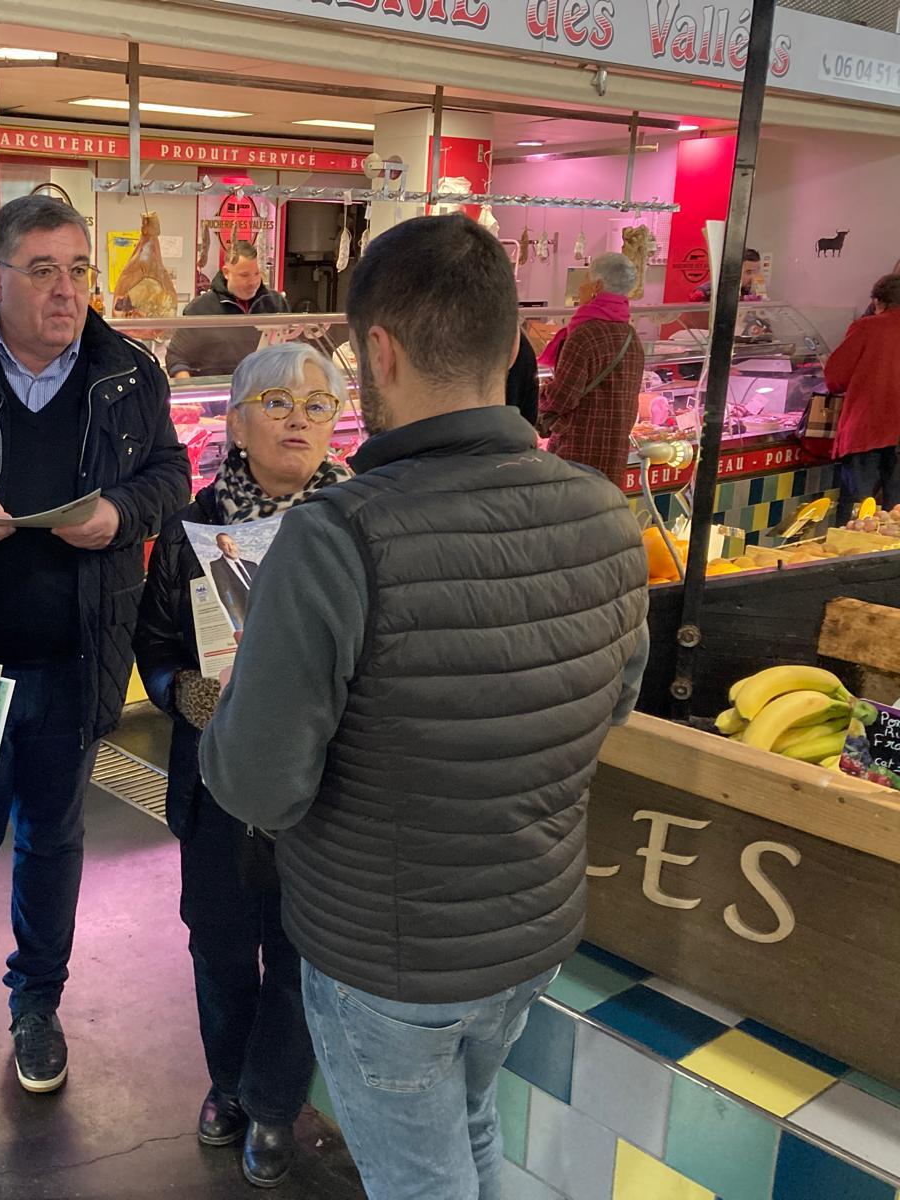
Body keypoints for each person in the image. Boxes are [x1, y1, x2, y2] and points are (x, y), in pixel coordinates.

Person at [200, 215, 649, 1200]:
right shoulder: (605, 512)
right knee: (472, 1123)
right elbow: (614, 703)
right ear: (512, 343)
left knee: (418, 1178)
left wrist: (228, 708)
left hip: (386, 960)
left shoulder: (337, 536)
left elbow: (259, 786)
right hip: (531, 933)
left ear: (380, 353)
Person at [0, 193, 188, 1099]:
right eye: (42, 271)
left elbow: (171, 475)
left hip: (78, 657)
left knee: (53, 843)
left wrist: (120, 513)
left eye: (78, 270)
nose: (67, 290)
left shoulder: (129, 372)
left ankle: (37, 1005)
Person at [135, 342, 349, 1188]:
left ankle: (269, 1102)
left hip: (322, 784)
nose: (298, 419)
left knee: (300, 951)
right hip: (218, 776)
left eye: (317, 404)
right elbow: (154, 646)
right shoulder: (190, 529)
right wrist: (182, 692)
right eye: (277, 402)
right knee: (218, 944)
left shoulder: (356, 524)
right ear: (237, 422)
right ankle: (226, 1081)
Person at [537, 253, 646, 485]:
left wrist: (540, 392)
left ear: (597, 286)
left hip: (578, 450)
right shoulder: (631, 336)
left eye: (585, 278)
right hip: (614, 452)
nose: (581, 287)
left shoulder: (584, 334)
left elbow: (562, 398)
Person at [824, 272, 900, 519]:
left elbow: (835, 378)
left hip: (868, 431)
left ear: (878, 301)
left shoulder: (868, 327)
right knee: (895, 520)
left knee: (857, 517)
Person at [167, 241, 291, 379]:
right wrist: (190, 388)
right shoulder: (200, 308)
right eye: (244, 275)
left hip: (266, 388)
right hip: (217, 389)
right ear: (226, 272)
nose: (253, 282)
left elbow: (293, 350)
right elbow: (176, 356)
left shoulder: (276, 303)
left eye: (257, 274)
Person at [209, 532, 261, 631]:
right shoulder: (216, 566)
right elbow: (225, 595)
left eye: (232, 544)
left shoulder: (252, 565)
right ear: (219, 547)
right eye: (225, 544)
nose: (230, 548)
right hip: (244, 618)